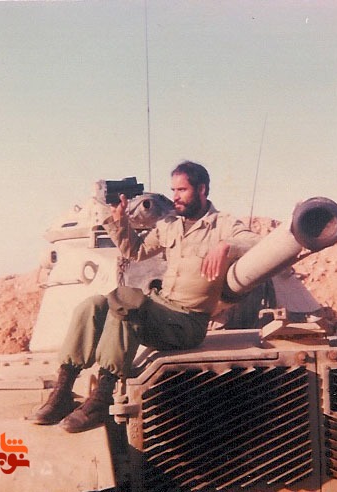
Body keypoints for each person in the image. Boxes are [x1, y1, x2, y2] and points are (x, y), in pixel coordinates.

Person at [29, 161, 260, 433]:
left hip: (188, 322)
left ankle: (102, 397)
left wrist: (225, 246)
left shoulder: (223, 225)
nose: (175, 196)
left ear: (202, 189)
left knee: (126, 306)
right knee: (93, 305)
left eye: (182, 190)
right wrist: (118, 221)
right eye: (173, 190)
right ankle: (64, 389)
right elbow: (135, 251)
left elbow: (256, 242)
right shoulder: (170, 224)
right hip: (161, 307)